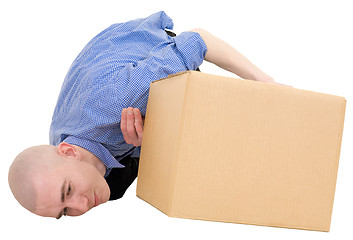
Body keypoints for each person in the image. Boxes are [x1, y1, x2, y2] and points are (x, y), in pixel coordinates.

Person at [8, 11, 277, 219]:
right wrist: (151, 141)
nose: (81, 206)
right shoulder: (62, 147)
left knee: (214, 143)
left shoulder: (119, 100)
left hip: (141, 46)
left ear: (68, 151)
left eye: (67, 191)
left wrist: (264, 82)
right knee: (118, 185)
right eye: (64, 212)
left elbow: (198, 38)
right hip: (103, 71)